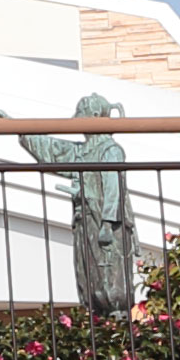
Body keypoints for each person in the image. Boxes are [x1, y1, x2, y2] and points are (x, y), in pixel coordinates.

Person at [22, 91, 137, 316]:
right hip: (86, 221)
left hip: (105, 225)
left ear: (94, 116)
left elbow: (113, 189)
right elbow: (54, 151)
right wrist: (18, 129)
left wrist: (107, 223)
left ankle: (117, 319)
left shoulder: (110, 150)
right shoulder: (83, 151)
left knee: (110, 277)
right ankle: (98, 319)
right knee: (88, 275)